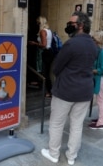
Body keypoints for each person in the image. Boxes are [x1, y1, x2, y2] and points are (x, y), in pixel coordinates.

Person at [41, 11, 98, 165]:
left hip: (65, 91)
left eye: (71, 23)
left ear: (80, 25)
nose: (68, 26)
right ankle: (71, 156)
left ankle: (54, 154)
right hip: (85, 91)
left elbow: (57, 67)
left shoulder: (71, 44)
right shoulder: (93, 44)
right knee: (77, 125)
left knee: (57, 123)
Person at [89, 31, 103, 129]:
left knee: (100, 100)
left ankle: (101, 122)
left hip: (102, 79)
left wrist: (93, 71)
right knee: (101, 100)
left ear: (98, 40)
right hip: (101, 79)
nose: (92, 40)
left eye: (94, 39)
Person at [28, 16, 54, 97]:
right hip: (49, 52)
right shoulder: (49, 31)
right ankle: (48, 90)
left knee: (44, 73)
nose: (37, 24)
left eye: (38, 23)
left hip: (45, 53)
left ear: (40, 23)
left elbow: (43, 45)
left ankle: (48, 91)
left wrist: (34, 43)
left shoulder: (43, 31)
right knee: (46, 73)